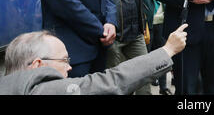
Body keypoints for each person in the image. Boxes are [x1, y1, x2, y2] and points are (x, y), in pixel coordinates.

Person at [0, 26, 187, 95]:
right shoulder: (42, 90)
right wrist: (167, 50)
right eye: (64, 60)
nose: (69, 66)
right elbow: (113, 81)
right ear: (37, 65)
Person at [136, 0, 173, 95]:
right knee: (146, 59)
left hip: (163, 23)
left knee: (163, 56)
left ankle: (164, 87)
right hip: (147, 25)